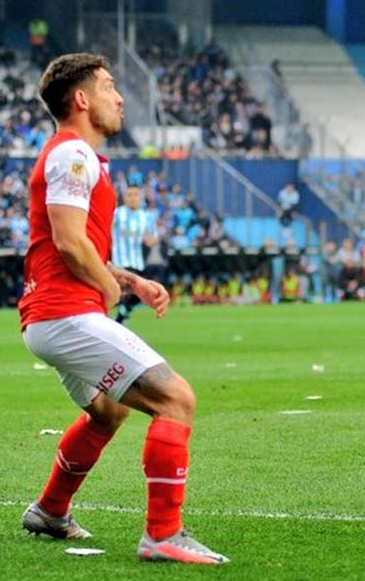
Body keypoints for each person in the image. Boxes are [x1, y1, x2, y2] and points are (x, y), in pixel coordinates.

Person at [17, 53, 228, 565]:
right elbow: (68, 242)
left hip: (52, 315)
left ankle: (49, 510)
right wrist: (109, 293)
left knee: (108, 413)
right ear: (82, 99)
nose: (120, 97)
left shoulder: (77, 157)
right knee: (176, 399)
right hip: (67, 315)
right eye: (110, 86)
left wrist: (129, 281)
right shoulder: (73, 155)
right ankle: (163, 534)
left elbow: (70, 247)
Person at [112, 184, 159, 325]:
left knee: (138, 294)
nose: (133, 198)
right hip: (119, 262)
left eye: (136, 195)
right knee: (123, 292)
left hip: (137, 261)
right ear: (124, 198)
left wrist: (149, 241)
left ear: (141, 197)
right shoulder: (117, 214)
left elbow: (154, 236)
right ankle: (117, 318)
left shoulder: (146, 217)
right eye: (129, 195)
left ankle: (120, 317)